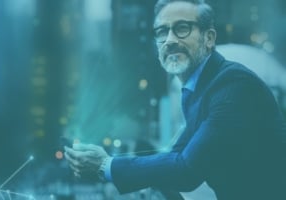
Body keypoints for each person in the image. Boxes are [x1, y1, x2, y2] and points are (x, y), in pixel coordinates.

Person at [64, 0, 286, 199]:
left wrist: (106, 165)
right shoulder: (198, 88)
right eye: (161, 31)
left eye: (182, 28)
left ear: (209, 38)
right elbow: (173, 157)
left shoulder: (232, 86)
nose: (169, 40)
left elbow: (186, 170)